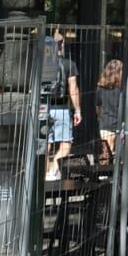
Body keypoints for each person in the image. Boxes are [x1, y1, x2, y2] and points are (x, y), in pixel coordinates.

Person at [43, 36, 83, 181]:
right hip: (62, 108)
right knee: (66, 142)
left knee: (45, 142)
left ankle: (45, 172)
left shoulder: (41, 65)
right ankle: (55, 167)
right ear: (61, 46)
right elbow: (73, 88)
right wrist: (77, 110)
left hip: (44, 107)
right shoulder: (69, 64)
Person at [96, 59, 126, 166]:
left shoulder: (100, 88)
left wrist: (100, 118)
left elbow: (98, 106)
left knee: (106, 154)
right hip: (121, 124)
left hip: (105, 123)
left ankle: (104, 176)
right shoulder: (123, 90)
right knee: (123, 155)